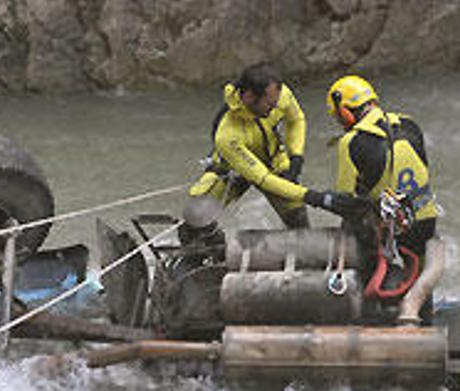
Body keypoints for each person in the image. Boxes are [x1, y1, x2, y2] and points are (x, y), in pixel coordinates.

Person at [182, 62, 362, 241]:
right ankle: (201, 249)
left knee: (299, 223)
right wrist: (314, 197)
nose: (275, 107)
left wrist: (296, 156)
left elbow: (296, 120)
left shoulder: (278, 95)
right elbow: (264, 179)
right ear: (250, 97)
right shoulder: (227, 134)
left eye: (276, 101)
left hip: (274, 162)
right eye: (270, 104)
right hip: (233, 169)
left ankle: (303, 258)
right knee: (196, 218)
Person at [325, 75, 442, 321]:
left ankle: (369, 312)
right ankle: (425, 314)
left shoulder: (351, 142)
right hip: (426, 219)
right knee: (420, 270)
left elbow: (346, 200)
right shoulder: (409, 123)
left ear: (346, 113)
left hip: (391, 227)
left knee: (359, 230)